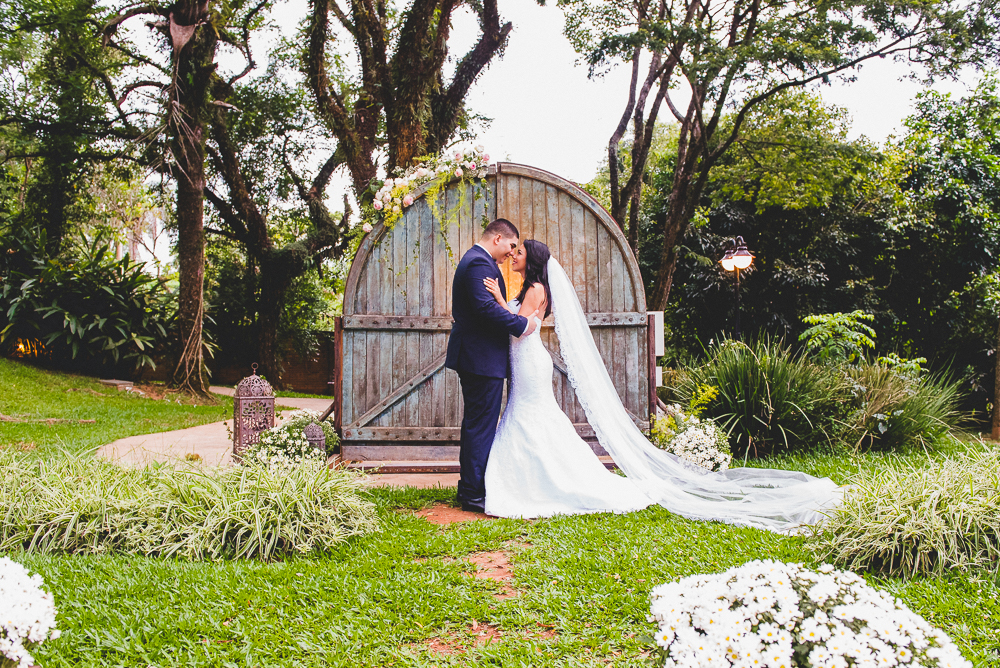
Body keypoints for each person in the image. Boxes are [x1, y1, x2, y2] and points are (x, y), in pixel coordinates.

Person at [481, 239, 842, 533]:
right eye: (512, 251)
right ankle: (549, 475)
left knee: (531, 415)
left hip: (530, 361)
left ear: (534, 259)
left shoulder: (537, 288)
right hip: (527, 362)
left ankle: (551, 481)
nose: (514, 256)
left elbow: (525, 327)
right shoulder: (532, 287)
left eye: (519, 252)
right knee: (535, 417)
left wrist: (498, 300)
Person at [445, 219, 539, 513]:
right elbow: (485, 310)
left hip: (480, 357)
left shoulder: (480, 262)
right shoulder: (478, 264)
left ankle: (471, 487)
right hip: (480, 358)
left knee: (480, 424)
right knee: (480, 426)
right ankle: (473, 493)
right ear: (498, 238)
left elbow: (487, 307)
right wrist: (521, 324)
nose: (512, 254)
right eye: (511, 246)